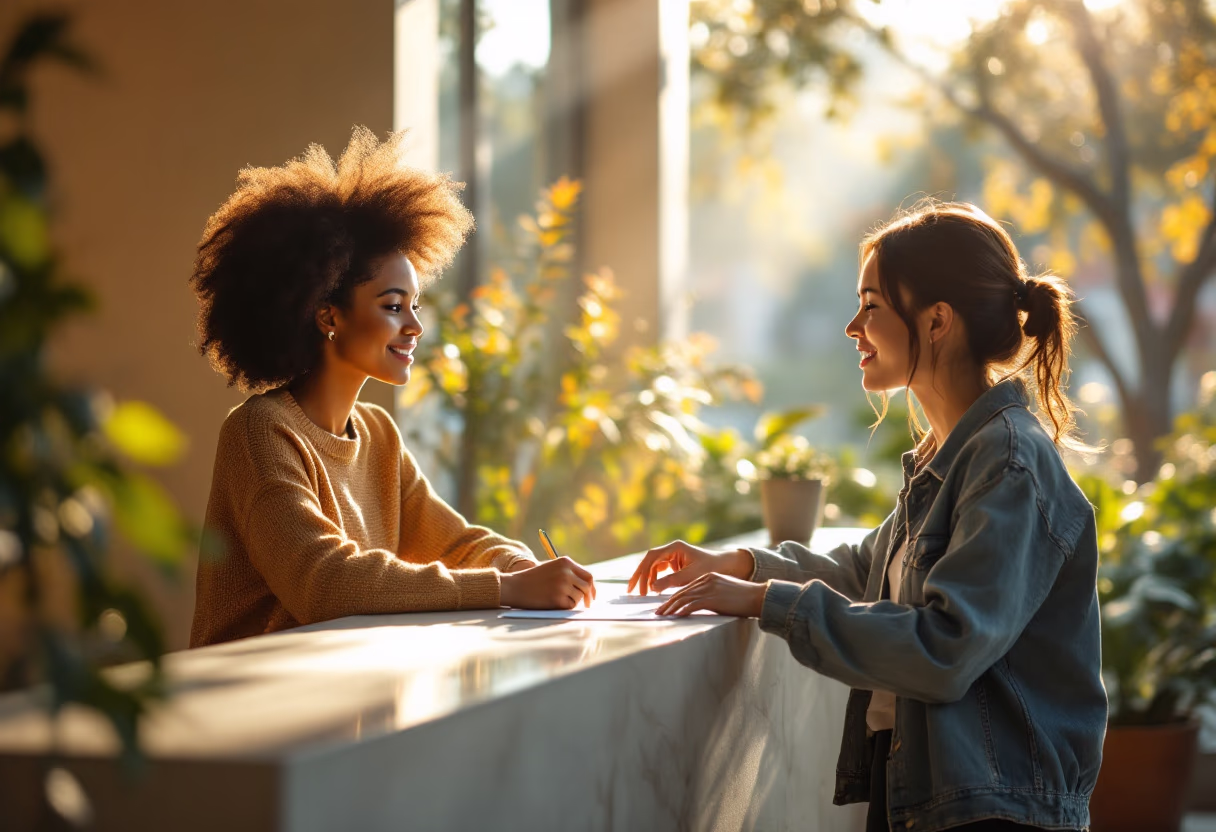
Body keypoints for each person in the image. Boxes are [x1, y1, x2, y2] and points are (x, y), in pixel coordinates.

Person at [628, 202, 1105, 832]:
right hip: (932, 792)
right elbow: (867, 570)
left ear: (937, 321)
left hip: (993, 812)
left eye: (872, 305)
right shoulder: (951, 452)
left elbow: (945, 647)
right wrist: (737, 563)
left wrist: (763, 601)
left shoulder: (1008, 463)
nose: (853, 326)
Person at [189, 128, 594, 648]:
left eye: (416, 305)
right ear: (327, 315)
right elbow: (325, 582)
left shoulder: (377, 433)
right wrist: (508, 587)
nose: (415, 327)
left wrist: (523, 564)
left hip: (334, 692)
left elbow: (455, 544)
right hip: (248, 705)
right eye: (393, 305)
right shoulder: (259, 432)